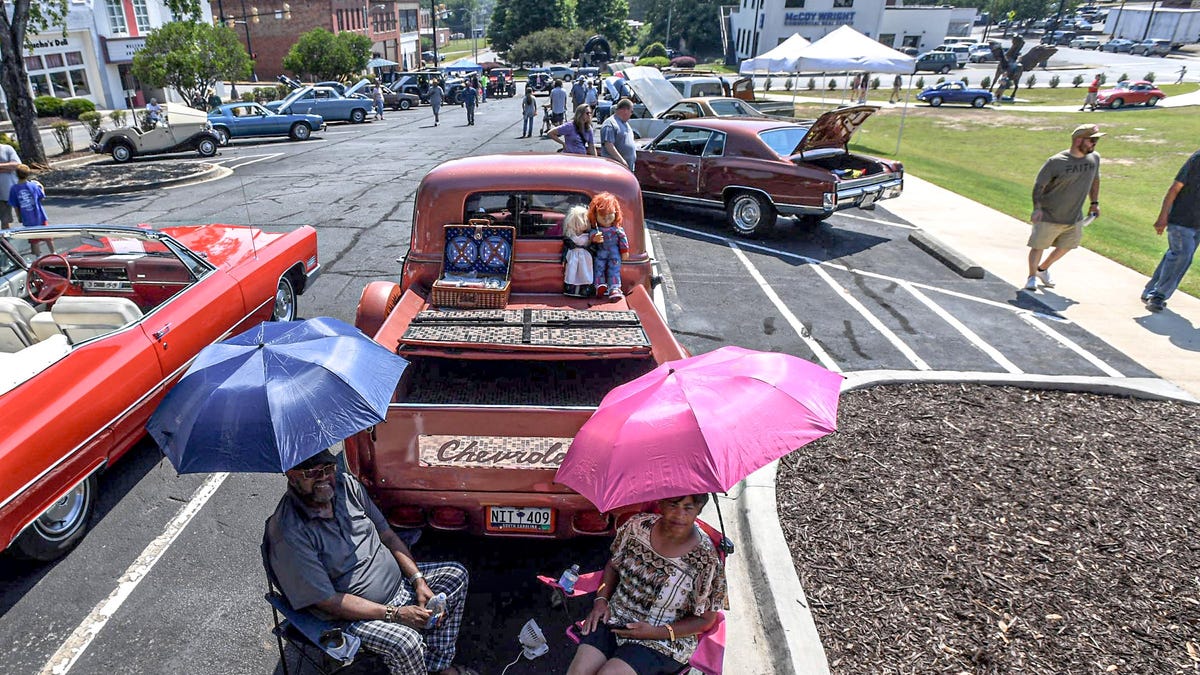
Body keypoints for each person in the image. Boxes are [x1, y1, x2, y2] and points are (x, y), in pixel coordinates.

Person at [266, 449, 476, 675]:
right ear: (291, 475)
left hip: (398, 587)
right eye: (313, 473)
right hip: (351, 617)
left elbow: (387, 534)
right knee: (406, 642)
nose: (324, 478)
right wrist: (396, 613)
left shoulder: (345, 485)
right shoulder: (288, 532)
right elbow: (328, 601)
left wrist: (418, 582)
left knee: (456, 576)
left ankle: (436, 666)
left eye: (328, 469)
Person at [566, 494, 726, 675]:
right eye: (673, 504)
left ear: (699, 509)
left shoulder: (706, 560)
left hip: (664, 638)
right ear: (660, 502)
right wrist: (601, 601)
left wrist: (655, 632)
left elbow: (706, 620)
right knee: (578, 672)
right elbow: (613, 564)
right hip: (615, 617)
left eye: (688, 508)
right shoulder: (636, 526)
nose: (679, 514)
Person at [1025, 123, 1103, 292]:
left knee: (1068, 246)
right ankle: (1031, 277)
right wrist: (1037, 208)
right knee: (1038, 246)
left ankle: (1042, 269)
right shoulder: (1056, 162)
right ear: (1078, 140)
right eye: (1091, 140)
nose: (1094, 144)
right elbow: (1039, 186)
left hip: (1074, 216)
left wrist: (1094, 203)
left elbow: (1095, 181)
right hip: (1049, 215)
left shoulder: (1094, 158)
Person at [1141, 148, 1200, 312]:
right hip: (1181, 220)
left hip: (1197, 224)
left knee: (1176, 255)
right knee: (1183, 255)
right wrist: (1162, 217)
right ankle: (1158, 296)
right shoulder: (1197, 159)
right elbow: (1175, 188)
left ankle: (1150, 289)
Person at [8, 163, 50, 256]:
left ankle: (37, 257)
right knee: (47, 234)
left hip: (27, 218)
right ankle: (53, 252)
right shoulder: (33, 186)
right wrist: (41, 187)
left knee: (34, 239)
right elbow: (41, 196)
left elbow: (15, 205)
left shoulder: (13, 189)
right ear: (28, 174)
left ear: (16, 174)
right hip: (40, 215)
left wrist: (19, 217)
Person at [600, 98, 637, 173]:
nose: (631, 114)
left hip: (627, 169)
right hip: (615, 168)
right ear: (625, 110)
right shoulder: (610, 124)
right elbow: (608, 145)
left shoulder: (625, 124)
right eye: (631, 111)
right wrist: (622, 161)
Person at [0, 138, 21, 230]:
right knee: (5, 221)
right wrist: (6, 167)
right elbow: (11, 166)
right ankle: (4, 243)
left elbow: (16, 165)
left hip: (9, 192)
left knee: (6, 221)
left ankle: (6, 243)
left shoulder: (7, 149)